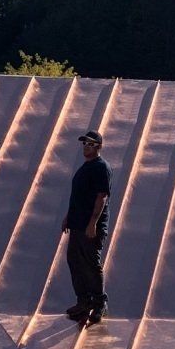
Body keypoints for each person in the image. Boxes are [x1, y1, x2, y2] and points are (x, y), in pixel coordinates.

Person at [60, 130, 112, 325]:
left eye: (91, 144)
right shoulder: (85, 167)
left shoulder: (101, 167)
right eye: (84, 144)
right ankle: (83, 301)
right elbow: (79, 196)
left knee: (91, 264)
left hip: (90, 227)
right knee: (74, 261)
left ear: (99, 147)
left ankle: (100, 304)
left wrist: (93, 224)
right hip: (77, 225)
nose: (86, 147)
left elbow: (101, 197)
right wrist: (68, 217)